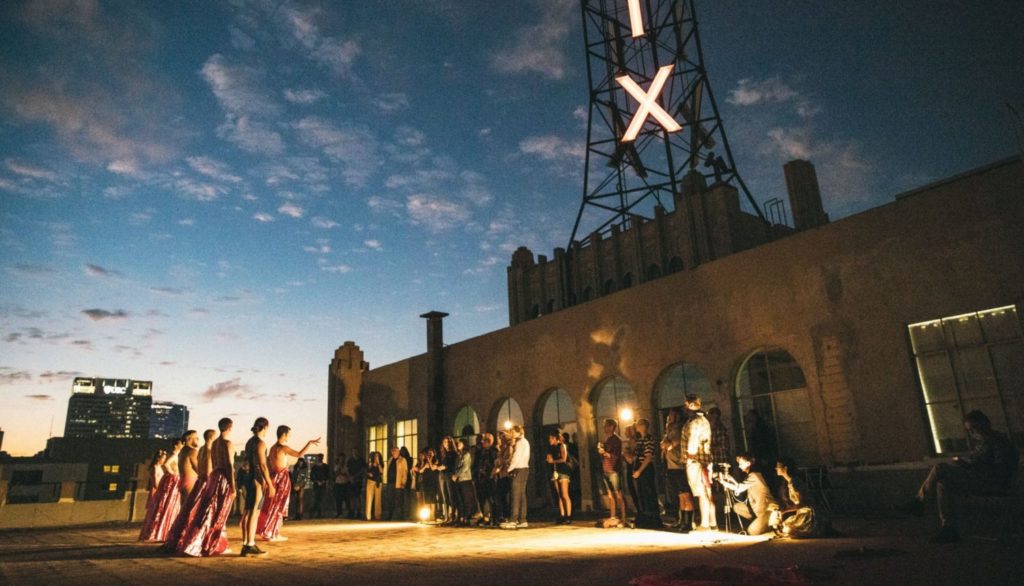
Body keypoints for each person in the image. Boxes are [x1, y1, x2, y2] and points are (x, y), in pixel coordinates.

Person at [899, 410, 1019, 543]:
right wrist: (965, 465)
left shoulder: (998, 441)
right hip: (980, 478)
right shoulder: (981, 444)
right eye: (970, 430)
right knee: (943, 483)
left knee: (940, 468)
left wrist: (972, 468)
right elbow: (978, 464)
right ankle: (949, 528)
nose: (973, 433)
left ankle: (920, 501)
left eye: (975, 428)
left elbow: (1001, 468)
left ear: (985, 424)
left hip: (992, 482)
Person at [177, 417, 237, 557]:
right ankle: (216, 543)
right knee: (219, 511)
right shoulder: (226, 444)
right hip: (220, 478)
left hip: (211, 478)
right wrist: (233, 486)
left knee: (204, 511)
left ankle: (201, 540)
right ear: (230, 428)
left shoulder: (210, 446)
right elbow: (228, 465)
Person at [257, 425, 320, 541]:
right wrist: (309, 443)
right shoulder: (283, 448)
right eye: (289, 434)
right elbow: (299, 454)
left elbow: (271, 465)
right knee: (278, 506)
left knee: (273, 505)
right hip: (281, 479)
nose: (290, 436)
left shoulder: (272, 448)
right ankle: (271, 533)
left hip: (274, 477)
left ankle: (271, 531)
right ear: (284, 434)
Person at [717, 452, 777, 535]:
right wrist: (730, 479)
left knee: (752, 531)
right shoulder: (750, 475)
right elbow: (740, 486)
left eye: (741, 463)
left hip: (768, 509)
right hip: (758, 509)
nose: (739, 466)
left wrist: (723, 482)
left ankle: (769, 524)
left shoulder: (755, 475)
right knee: (737, 507)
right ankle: (759, 521)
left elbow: (739, 488)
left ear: (748, 463)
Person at [239, 417, 273, 557]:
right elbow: (263, 465)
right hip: (256, 480)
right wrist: (269, 484)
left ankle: (246, 543)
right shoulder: (260, 443)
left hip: (249, 478)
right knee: (254, 512)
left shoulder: (249, 442)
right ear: (264, 427)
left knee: (248, 512)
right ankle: (250, 544)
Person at [682, 395, 716, 530]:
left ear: (690, 405)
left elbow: (692, 444)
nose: (684, 407)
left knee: (701, 493)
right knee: (707, 492)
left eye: (686, 404)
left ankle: (705, 524)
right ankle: (712, 523)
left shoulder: (694, 422)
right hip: (705, 460)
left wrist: (689, 460)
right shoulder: (703, 420)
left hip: (697, 461)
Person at [774, 457, 829, 538]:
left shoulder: (794, 483)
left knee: (788, 528)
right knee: (786, 526)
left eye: (778, 467)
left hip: (809, 513)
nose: (776, 469)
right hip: (802, 512)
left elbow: (802, 503)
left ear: (785, 468)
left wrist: (784, 511)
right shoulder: (789, 482)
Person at [660, 408, 693, 532]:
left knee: (685, 493)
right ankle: (682, 520)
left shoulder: (679, 428)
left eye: (672, 415)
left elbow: (672, 443)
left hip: (679, 464)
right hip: (671, 465)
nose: (669, 418)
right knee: (680, 495)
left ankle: (688, 522)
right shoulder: (669, 429)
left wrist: (666, 444)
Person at [631, 418, 661, 529]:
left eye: (639, 425)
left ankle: (652, 518)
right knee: (642, 494)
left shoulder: (649, 439)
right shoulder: (640, 440)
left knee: (649, 493)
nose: (637, 427)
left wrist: (639, 470)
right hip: (640, 467)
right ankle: (645, 516)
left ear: (644, 426)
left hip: (646, 468)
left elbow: (648, 457)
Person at [596, 418, 626, 528]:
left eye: (606, 425)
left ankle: (623, 518)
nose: (604, 428)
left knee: (618, 494)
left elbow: (615, 456)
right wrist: (602, 451)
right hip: (606, 469)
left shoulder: (616, 440)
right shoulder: (607, 440)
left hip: (614, 470)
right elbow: (605, 455)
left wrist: (604, 452)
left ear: (612, 427)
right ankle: (613, 516)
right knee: (610, 495)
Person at [501, 425, 530, 529]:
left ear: (519, 432)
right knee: (521, 495)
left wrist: (509, 469)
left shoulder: (520, 443)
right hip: (524, 469)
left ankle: (513, 520)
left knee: (515, 495)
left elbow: (516, 457)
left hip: (518, 469)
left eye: (513, 432)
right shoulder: (524, 442)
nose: (512, 434)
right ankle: (522, 519)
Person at [138, 449, 168, 541]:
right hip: (157, 490)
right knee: (155, 512)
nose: (164, 460)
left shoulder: (157, 467)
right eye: (163, 458)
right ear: (158, 458)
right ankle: (152, 532)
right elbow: (156, 482)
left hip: (157, 490)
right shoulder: (155, 468)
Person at [546, 429, 573, 524]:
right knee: (559, 495)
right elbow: (550, 459)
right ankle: (562, 515)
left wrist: (553, 461)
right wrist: (549, 459)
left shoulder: (562, 446)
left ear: (554, 438)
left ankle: (568, 515)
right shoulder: (551, 448)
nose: (549, 440)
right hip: (555, 472)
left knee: (565, 494)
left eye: (550, 438)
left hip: (563, 471)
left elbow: (564, 459)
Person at [453, 439, 480, 525]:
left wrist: (456, 475)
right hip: (459, 480)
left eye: (460, 443)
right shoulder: (459, 455)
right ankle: (462, 517)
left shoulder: (466, 454)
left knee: (467, 499)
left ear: (464, 444)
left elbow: (465, 467)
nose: (458, 444)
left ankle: (467, 517)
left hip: (465, 479)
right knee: (460, 499)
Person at [473, 434, 497, 526]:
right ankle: (485, 516)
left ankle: (493, 517)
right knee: (481, 498)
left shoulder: (493, 451)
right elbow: (477, 463)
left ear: (489, 442)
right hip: (480, 478)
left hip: (489, 478)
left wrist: (487, 471)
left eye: (484, 441)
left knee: (491, 499)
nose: (482, 443)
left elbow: (494, 464)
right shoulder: (480, 452)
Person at [383, 446, 409, 521]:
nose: (395, 452)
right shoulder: (390, 460)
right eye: (393, 451)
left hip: (398, 483)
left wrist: (403, 482)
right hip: (390, 483)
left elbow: (405, 472)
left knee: (398, 501)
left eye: (396, 451)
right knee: (390, 500)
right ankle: (390, 515)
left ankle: (399, 516)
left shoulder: (402, 460)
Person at [437, 436, 459, 525]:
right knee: (444, 496)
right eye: (444, 442)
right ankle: (446, 517)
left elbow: (450, 465)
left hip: (449, 475)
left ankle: (452, 516)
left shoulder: (453, 453)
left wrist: (440, 467)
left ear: (450, 442)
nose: (445, 444)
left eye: (447, 442)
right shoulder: (444, 453)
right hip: (442, 475)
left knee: (451, 496)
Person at [346, 448, 366, 519]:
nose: (355, 452)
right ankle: (352, 511)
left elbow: (363, 470)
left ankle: (358, 512)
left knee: (358, 497)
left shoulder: (361, 460)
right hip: (351, 481)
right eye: (353, 451)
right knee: (352, 497)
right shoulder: (350, 461)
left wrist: (355, 477)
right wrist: (350, 478)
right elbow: (347, 470)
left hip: (358, 481)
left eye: (356, 451)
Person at [365, 451, 383, 520]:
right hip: (370, 481)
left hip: (378, 482)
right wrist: (369, 474)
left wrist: (378, 464)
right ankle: (368, 516)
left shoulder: (381, 463)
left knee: (378, 499)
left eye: (377, 456)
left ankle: (378, 515)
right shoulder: (370, 463)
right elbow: (367, 470)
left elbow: (381, 471)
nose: (376, 457)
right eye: (375, 456)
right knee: (369, 498)